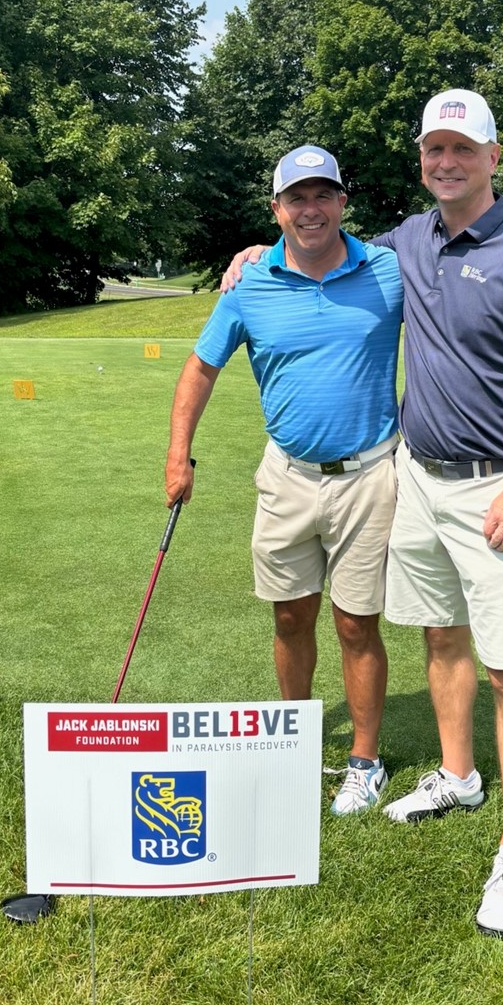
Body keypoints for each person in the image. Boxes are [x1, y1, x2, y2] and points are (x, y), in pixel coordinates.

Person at [223, 89, 503, 939]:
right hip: (416, 477)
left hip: (497, 486)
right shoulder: (406, 245)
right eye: (433, 149)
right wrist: (257, 249)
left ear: (494, 156)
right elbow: (317, 240)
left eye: (463, 148)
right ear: (422, 159)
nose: (446, 162)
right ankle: (457, 773)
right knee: (438, 635)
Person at [164, 145, 405, 816]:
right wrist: (178, 453)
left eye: (323, 194)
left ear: (342, 204)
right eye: (296, 198)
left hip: (368, 477)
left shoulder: (387, 271)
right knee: (291, 615)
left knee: (358, 624)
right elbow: (200, 370)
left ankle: (365, 760)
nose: (311, 209)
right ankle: (292, 744)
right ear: (276, 209)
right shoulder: (250, 285)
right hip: (287, 477)